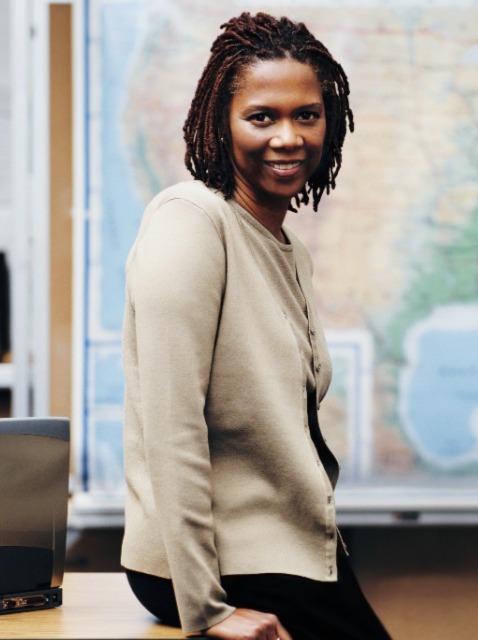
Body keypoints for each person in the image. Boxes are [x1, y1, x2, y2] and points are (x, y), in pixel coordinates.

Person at [120, 12, 392, 640]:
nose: (288, 137)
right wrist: (207, 610)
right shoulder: (191, 222)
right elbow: (172, 425)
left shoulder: (288, 250)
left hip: (284, 550)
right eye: (261, 116)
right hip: (213, 569)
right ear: (223, 121)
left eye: (307, 115)